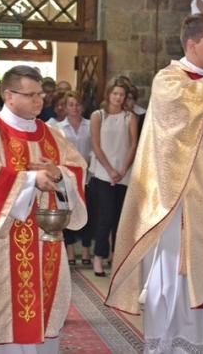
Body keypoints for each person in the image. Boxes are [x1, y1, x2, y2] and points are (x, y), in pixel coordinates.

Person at [106, 15, 203, 353]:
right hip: (177, 204)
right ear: (191, 45)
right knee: (172, 286)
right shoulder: (169, 80)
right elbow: (187, 114)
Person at [0, 65, 87, 352]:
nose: (39, 101)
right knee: (1, 325)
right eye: (30, 95)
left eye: (40, 94)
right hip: (0, 247)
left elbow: (77, 169)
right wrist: (30, 180)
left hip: (45, 244)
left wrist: (59, 174)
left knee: (45, 319)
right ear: (8, 96)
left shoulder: (52, 135)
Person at [88, 78, 138, 277]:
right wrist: (110, 170)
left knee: (120, 219)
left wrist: (123, 169)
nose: (118, 97)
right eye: (115, 93)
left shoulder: (129, 117)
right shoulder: (98, 116)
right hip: (103, 173)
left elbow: (133, 145)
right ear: (108, 94)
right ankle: (98, 257)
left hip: (124, 174)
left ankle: (116, 257)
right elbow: (96, 145)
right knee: (106, 217)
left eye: (122, 94)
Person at [58, 92, 93, 266]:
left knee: (89, 212)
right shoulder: (58, 127)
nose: (74, 108)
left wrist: (88, 161)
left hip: (89, 175)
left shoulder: (90, 124)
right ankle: (70, 250)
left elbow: (95, 146)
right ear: (65, 107)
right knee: (69, 211)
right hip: (68, 176)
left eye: (77, 104)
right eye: (70, 104)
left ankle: (86, 249)